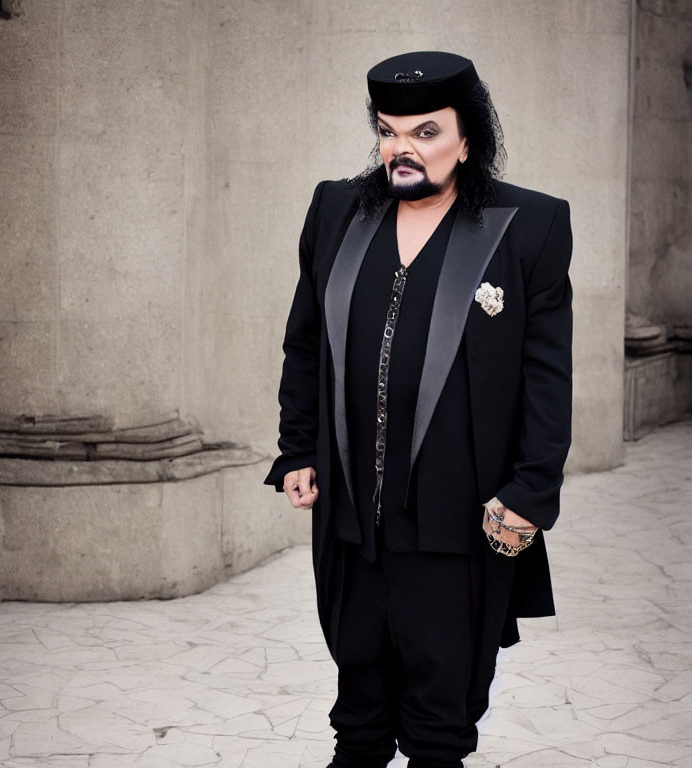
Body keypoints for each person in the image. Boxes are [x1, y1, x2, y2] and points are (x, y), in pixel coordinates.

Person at [264, 51, 573, 768]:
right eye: (389, 131)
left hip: (457, 518)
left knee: (441, 724)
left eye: (426, 132)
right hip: (349, 516)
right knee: (359, 713)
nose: (403, 148)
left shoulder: (526, 226)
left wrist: (531, 490)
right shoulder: (338, 209)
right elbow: (306, 341)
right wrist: (298, 447)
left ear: (470, 138)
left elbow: (546, 375)